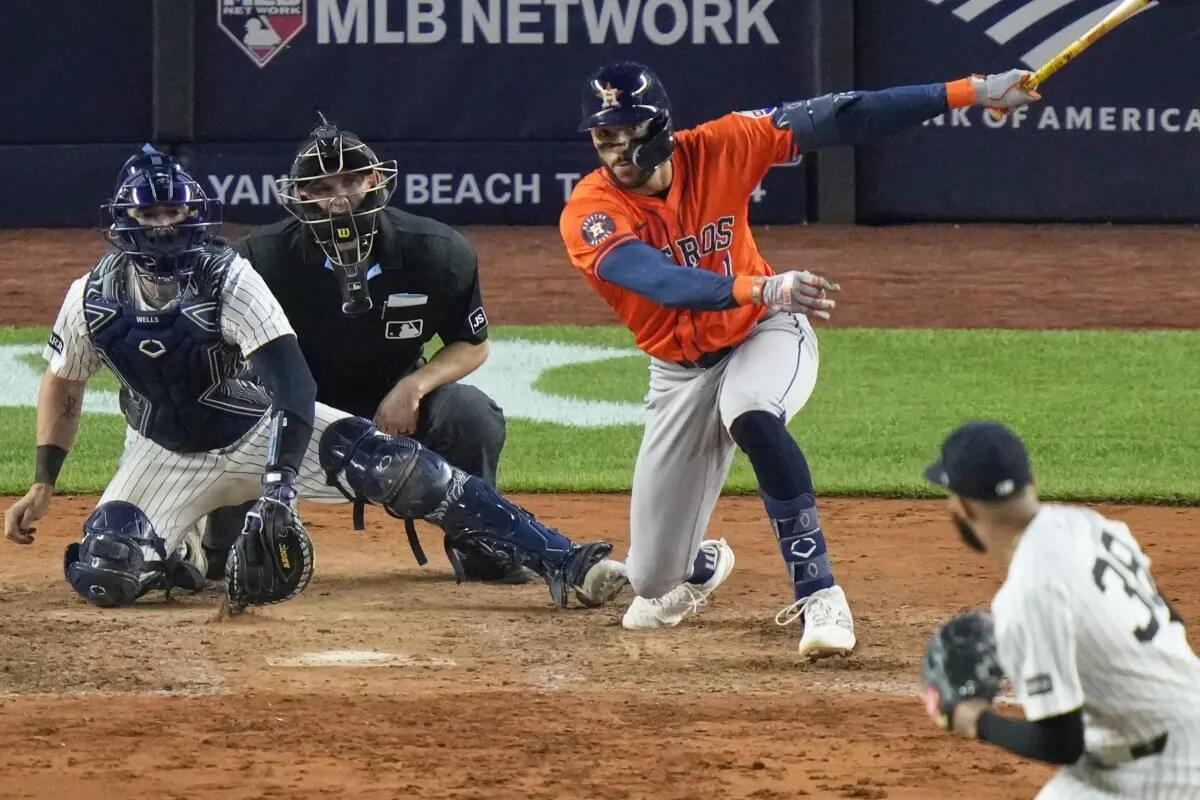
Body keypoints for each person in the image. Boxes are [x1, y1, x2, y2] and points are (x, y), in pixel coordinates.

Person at [1, 145, 626, 613]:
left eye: (175, 210)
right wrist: (42, 482)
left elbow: (292, 388)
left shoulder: (231, 275)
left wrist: (276, 489)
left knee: (399, 468)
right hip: (163, 453)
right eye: (150, 212)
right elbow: (64, 381)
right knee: (107, 572)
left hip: (256, 428)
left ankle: (560, 559)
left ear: (196, 211)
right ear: (123, 217)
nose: (163, 225)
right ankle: (180, 558)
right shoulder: (92, 296)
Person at [559, 61, 1040, 657]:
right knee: (654, 579)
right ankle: (701, 565)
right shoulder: (590, 210)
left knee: (752, 413)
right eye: (605, 136)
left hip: (765, 333)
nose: (618, 148)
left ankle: (822, 596)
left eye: (628, 130)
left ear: (659, 125)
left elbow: (843, 114)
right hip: (680, 373)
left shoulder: (724, 144)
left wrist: (971, 91)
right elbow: (656, 279)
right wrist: (756, 285)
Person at [229, 117, 522, 583]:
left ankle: (478, 540)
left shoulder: (437, 251)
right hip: (295, 405)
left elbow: (473, 344)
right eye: (322, 186)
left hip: (394, 402)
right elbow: (226, 357)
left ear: (374, 179)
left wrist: (415, 386)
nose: (340, 199)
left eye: (350, 181)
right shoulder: (260, 260)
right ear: (299, 194)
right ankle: (233, 539)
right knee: (231, 407)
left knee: (471, 413)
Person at [920, 421, 1200, 797]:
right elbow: (1172, 620)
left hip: (1171, 769)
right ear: (1029, 481)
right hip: (1147, 737)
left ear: (965, 506)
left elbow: (1061, 745)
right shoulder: (1090, 525)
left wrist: (974, 719)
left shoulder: (1028, 592)